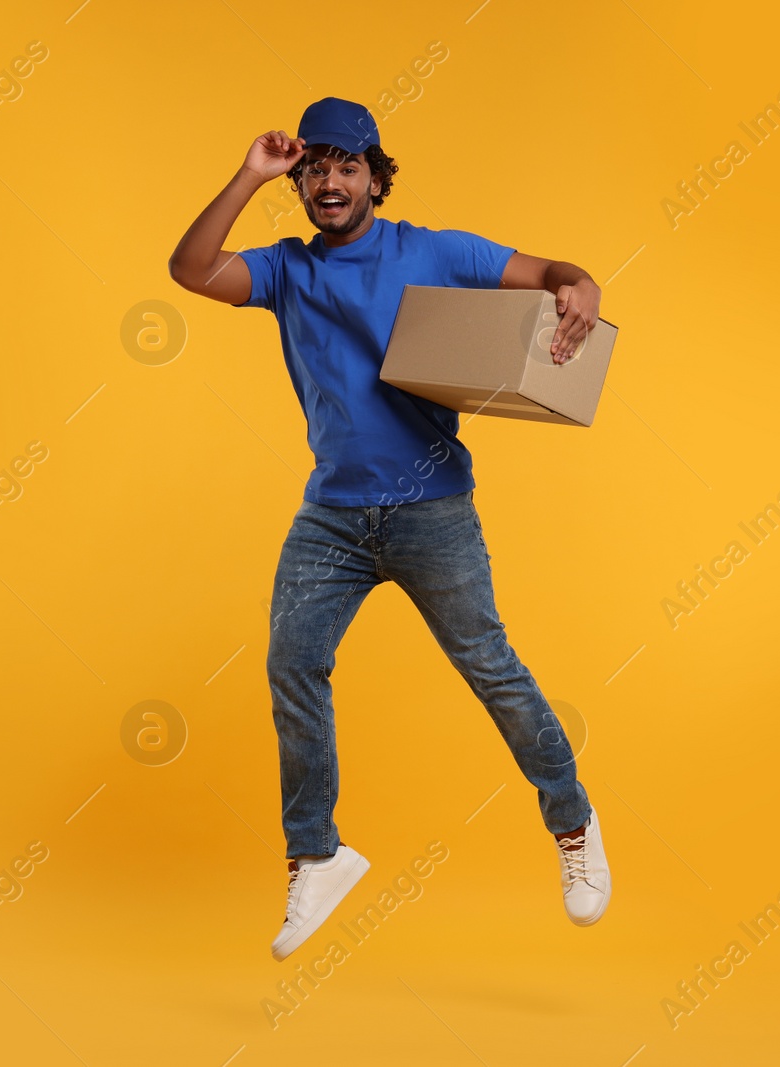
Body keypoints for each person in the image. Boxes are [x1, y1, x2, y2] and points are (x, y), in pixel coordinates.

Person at [169, 97, 611, 961]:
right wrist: (251, 173)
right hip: (331, 512)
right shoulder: (287, 270)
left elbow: (550, 269)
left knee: (493, 670)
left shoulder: (433, 250)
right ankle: (318, 855)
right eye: (311, 170)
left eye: (344, 166)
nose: (327, 182)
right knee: (292, 664)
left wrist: (581, 283)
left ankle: (574, 822)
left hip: (432, 506)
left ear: (376, 176)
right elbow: (190, 269)